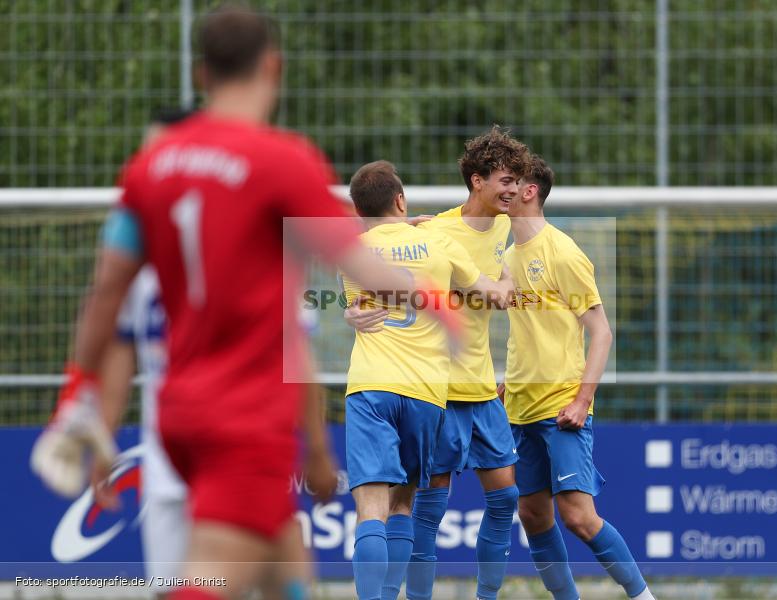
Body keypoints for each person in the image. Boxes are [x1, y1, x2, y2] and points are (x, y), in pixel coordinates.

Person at [30, 7, 457, 600]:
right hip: (243, 416)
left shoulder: (151, 166)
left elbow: (107, 292)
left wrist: (79, 388)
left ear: (202, 74)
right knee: (210, 578)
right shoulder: (280, 160)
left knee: (288, 568)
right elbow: (356, 259)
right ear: (273, 67)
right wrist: (442, 304)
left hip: (177, 412)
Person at [345, 126, 528, 600]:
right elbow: (496, 295)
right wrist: (505, 275)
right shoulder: (442, 242)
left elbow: (358, 311)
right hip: (429, 393)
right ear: (402, 201)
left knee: (372, 511)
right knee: (408, 504)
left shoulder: (351, 254)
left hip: (373, 387)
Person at [503, 156, 655, 600]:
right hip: (520, 407)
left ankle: (643, 596)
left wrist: (583, 400)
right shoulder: (507, 255)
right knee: (532, 515)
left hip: (561, 405)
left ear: (530, 191)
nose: (503, 190)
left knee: (579, 517)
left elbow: (602, 331)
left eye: (512, 182)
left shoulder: (563, 252)